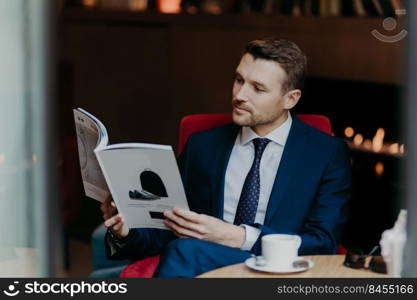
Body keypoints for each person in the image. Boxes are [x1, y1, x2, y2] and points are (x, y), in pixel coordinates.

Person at [101, 38, 352, 277]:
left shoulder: (327, 154)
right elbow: (167, 228)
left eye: (258, 88)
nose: (240, 95)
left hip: (277, 268)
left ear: (290, 99)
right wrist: (126, 231)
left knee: (185, 251)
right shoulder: (203, 146)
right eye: (239, 80)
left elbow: (323, 242)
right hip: (203, 264)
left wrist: (237, 236)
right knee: (183, 249)